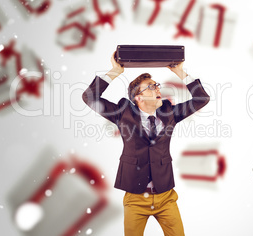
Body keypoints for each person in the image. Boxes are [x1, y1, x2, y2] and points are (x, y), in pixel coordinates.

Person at [82, 51, 210, 235]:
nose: (158, 89)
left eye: (157, 85)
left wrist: (180, 73)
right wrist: (114, 71)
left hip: (166, 196)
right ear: (138, 98)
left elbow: (201, 99)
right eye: (151, 87)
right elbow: (89, 98)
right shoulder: (123, 113)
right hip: (135, 198)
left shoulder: (170, 113)